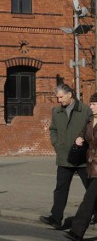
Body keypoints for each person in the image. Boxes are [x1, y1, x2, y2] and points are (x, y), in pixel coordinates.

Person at [40, 84, 92, 230]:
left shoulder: (85, 110)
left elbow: (92, 130)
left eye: (61, 97)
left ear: (70, 94)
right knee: (60, 189)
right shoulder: (56, 111)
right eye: (57, 97)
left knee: (91, 189)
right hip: (64, 156)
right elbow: (53, 130)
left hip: (82, 157)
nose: (59, 100)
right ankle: (55, 219)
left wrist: (85, 144)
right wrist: (57, 144)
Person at [65, 92, 97, 241]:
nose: (91, 107)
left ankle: (76, 232)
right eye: (91, 104)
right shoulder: (90, 121)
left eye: (94, 104)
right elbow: (83, 133)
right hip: (91, 165)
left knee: (89, 200)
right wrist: (79, 138)